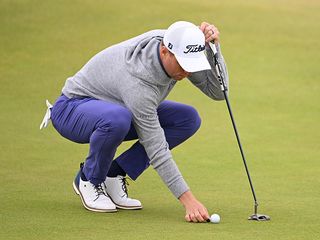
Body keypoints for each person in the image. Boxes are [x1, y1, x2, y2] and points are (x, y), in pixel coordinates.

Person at [40, 20, 229, 223]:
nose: (187, 72)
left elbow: (218, 92)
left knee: (187, 119)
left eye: (191, 65)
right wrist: (188, 200)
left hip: (118, 108)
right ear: (165, 51)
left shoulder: (179, 46)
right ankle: (89, 179)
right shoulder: (139, 83)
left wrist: (213, 49)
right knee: (117, 119)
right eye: (183, 64)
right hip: (72, 110)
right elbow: (156, 148)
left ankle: (114, 174)